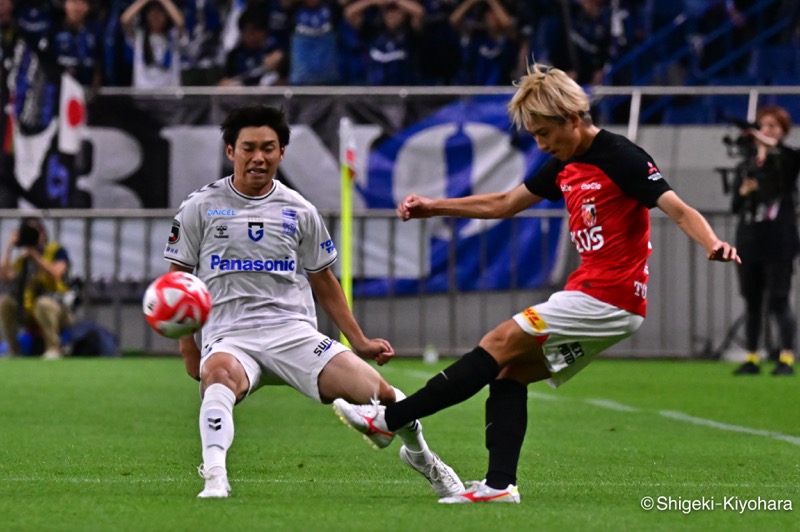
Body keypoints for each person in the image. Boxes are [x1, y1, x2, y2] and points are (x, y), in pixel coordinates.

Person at [332, 63, 740, 504]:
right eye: (534, 135)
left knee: (499, 341)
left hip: (607, 297)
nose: (541, 143)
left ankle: (389, 420)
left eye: (544, 133)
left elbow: (677, 208)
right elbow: (506, 203)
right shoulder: (563, 164)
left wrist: (712, 241)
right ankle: (498, 486)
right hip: (604, 301)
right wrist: (435, 206)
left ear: (573, 118)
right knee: (509, 373)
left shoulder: (621, 156)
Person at [163, 104, 463, 499]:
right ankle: (215, 477)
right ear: (230, 150)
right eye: (249, 147)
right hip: (229, 335)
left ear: (282, 152)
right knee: (217, 380)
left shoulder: (300, 210)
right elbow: (179, 283)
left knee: (380, 394)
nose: (259, 157)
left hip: (293, 333)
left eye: (268, 148)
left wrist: (358, 340)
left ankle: (423, 457)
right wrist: (189, 347)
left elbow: (324, 281)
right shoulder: (199, 207)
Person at [731, 105, 800, 376]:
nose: (767, 131)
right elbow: (736, 206)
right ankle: (752, 357)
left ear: (783, 131)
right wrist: (744, 191)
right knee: (752, 300)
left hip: (779, 240)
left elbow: (794, 158)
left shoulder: (785, 161)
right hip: (750, 239)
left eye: (774, 126)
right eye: (764, 125)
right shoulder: (746, 166)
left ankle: (786, 358)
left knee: (779, 298)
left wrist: (770, 146)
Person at [0, 217, 74, 359]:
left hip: (58, 310)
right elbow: (4, 276)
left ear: (44, 233)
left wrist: (35, 255)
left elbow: (56, 274)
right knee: (4, 302)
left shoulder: (55, 251)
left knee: (43, 303)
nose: (34, 235)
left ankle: (53, 348)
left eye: (37, 231)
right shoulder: (22, 258)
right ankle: (13, 350)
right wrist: (9, 247)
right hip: (29, 311)